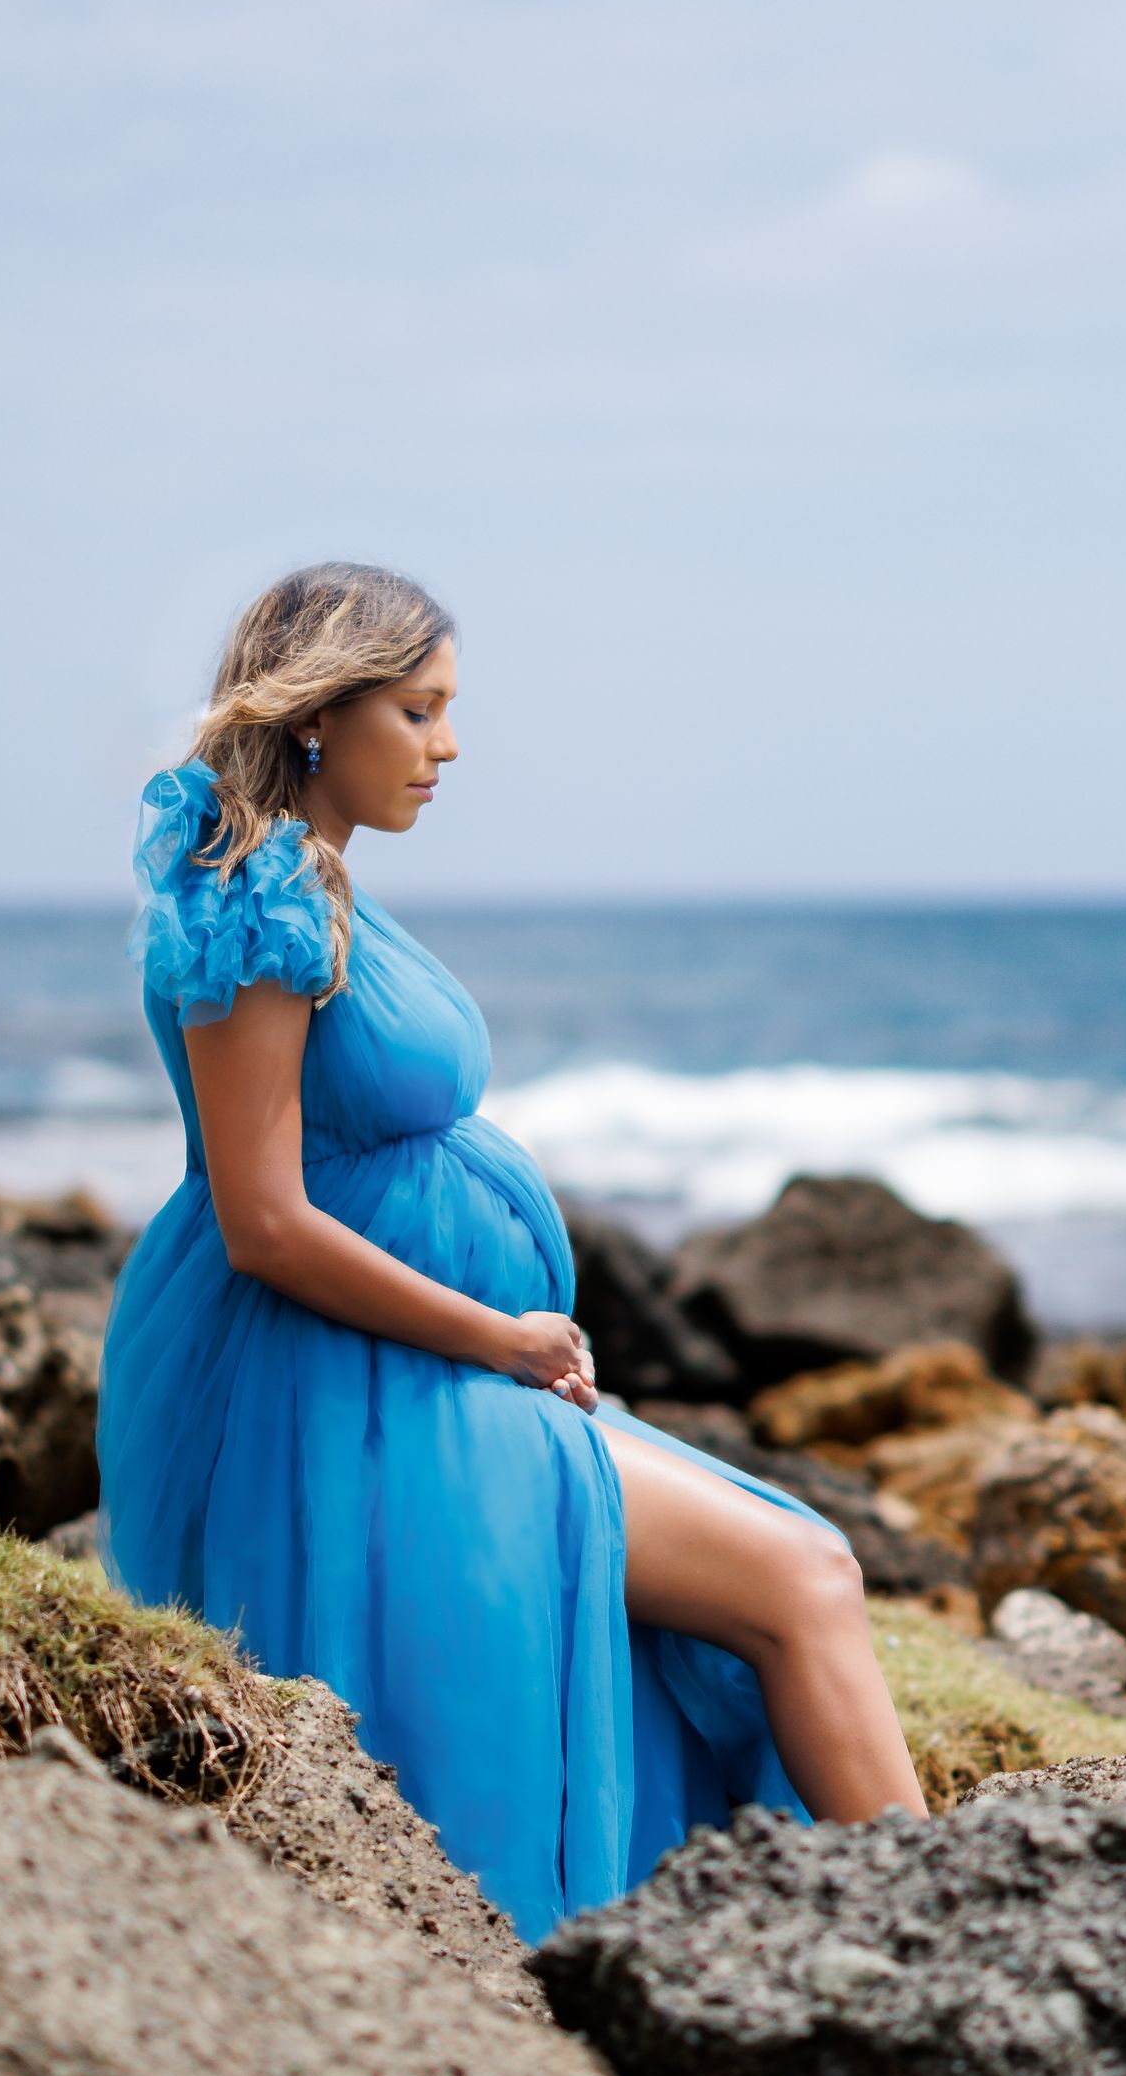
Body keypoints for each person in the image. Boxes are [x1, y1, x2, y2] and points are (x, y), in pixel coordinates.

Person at [97, 562, 925, 1941]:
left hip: (412, 1373)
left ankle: (907, 1931)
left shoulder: (316, 878)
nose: (448, 746)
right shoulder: (255, 898)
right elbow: (264, 1221)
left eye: (448, 711)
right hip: (348, 1390)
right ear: (319, 717)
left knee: (792, 1579)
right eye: (417, 712)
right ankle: (950, 1935)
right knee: (801, 1579)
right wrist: (502, 1338)